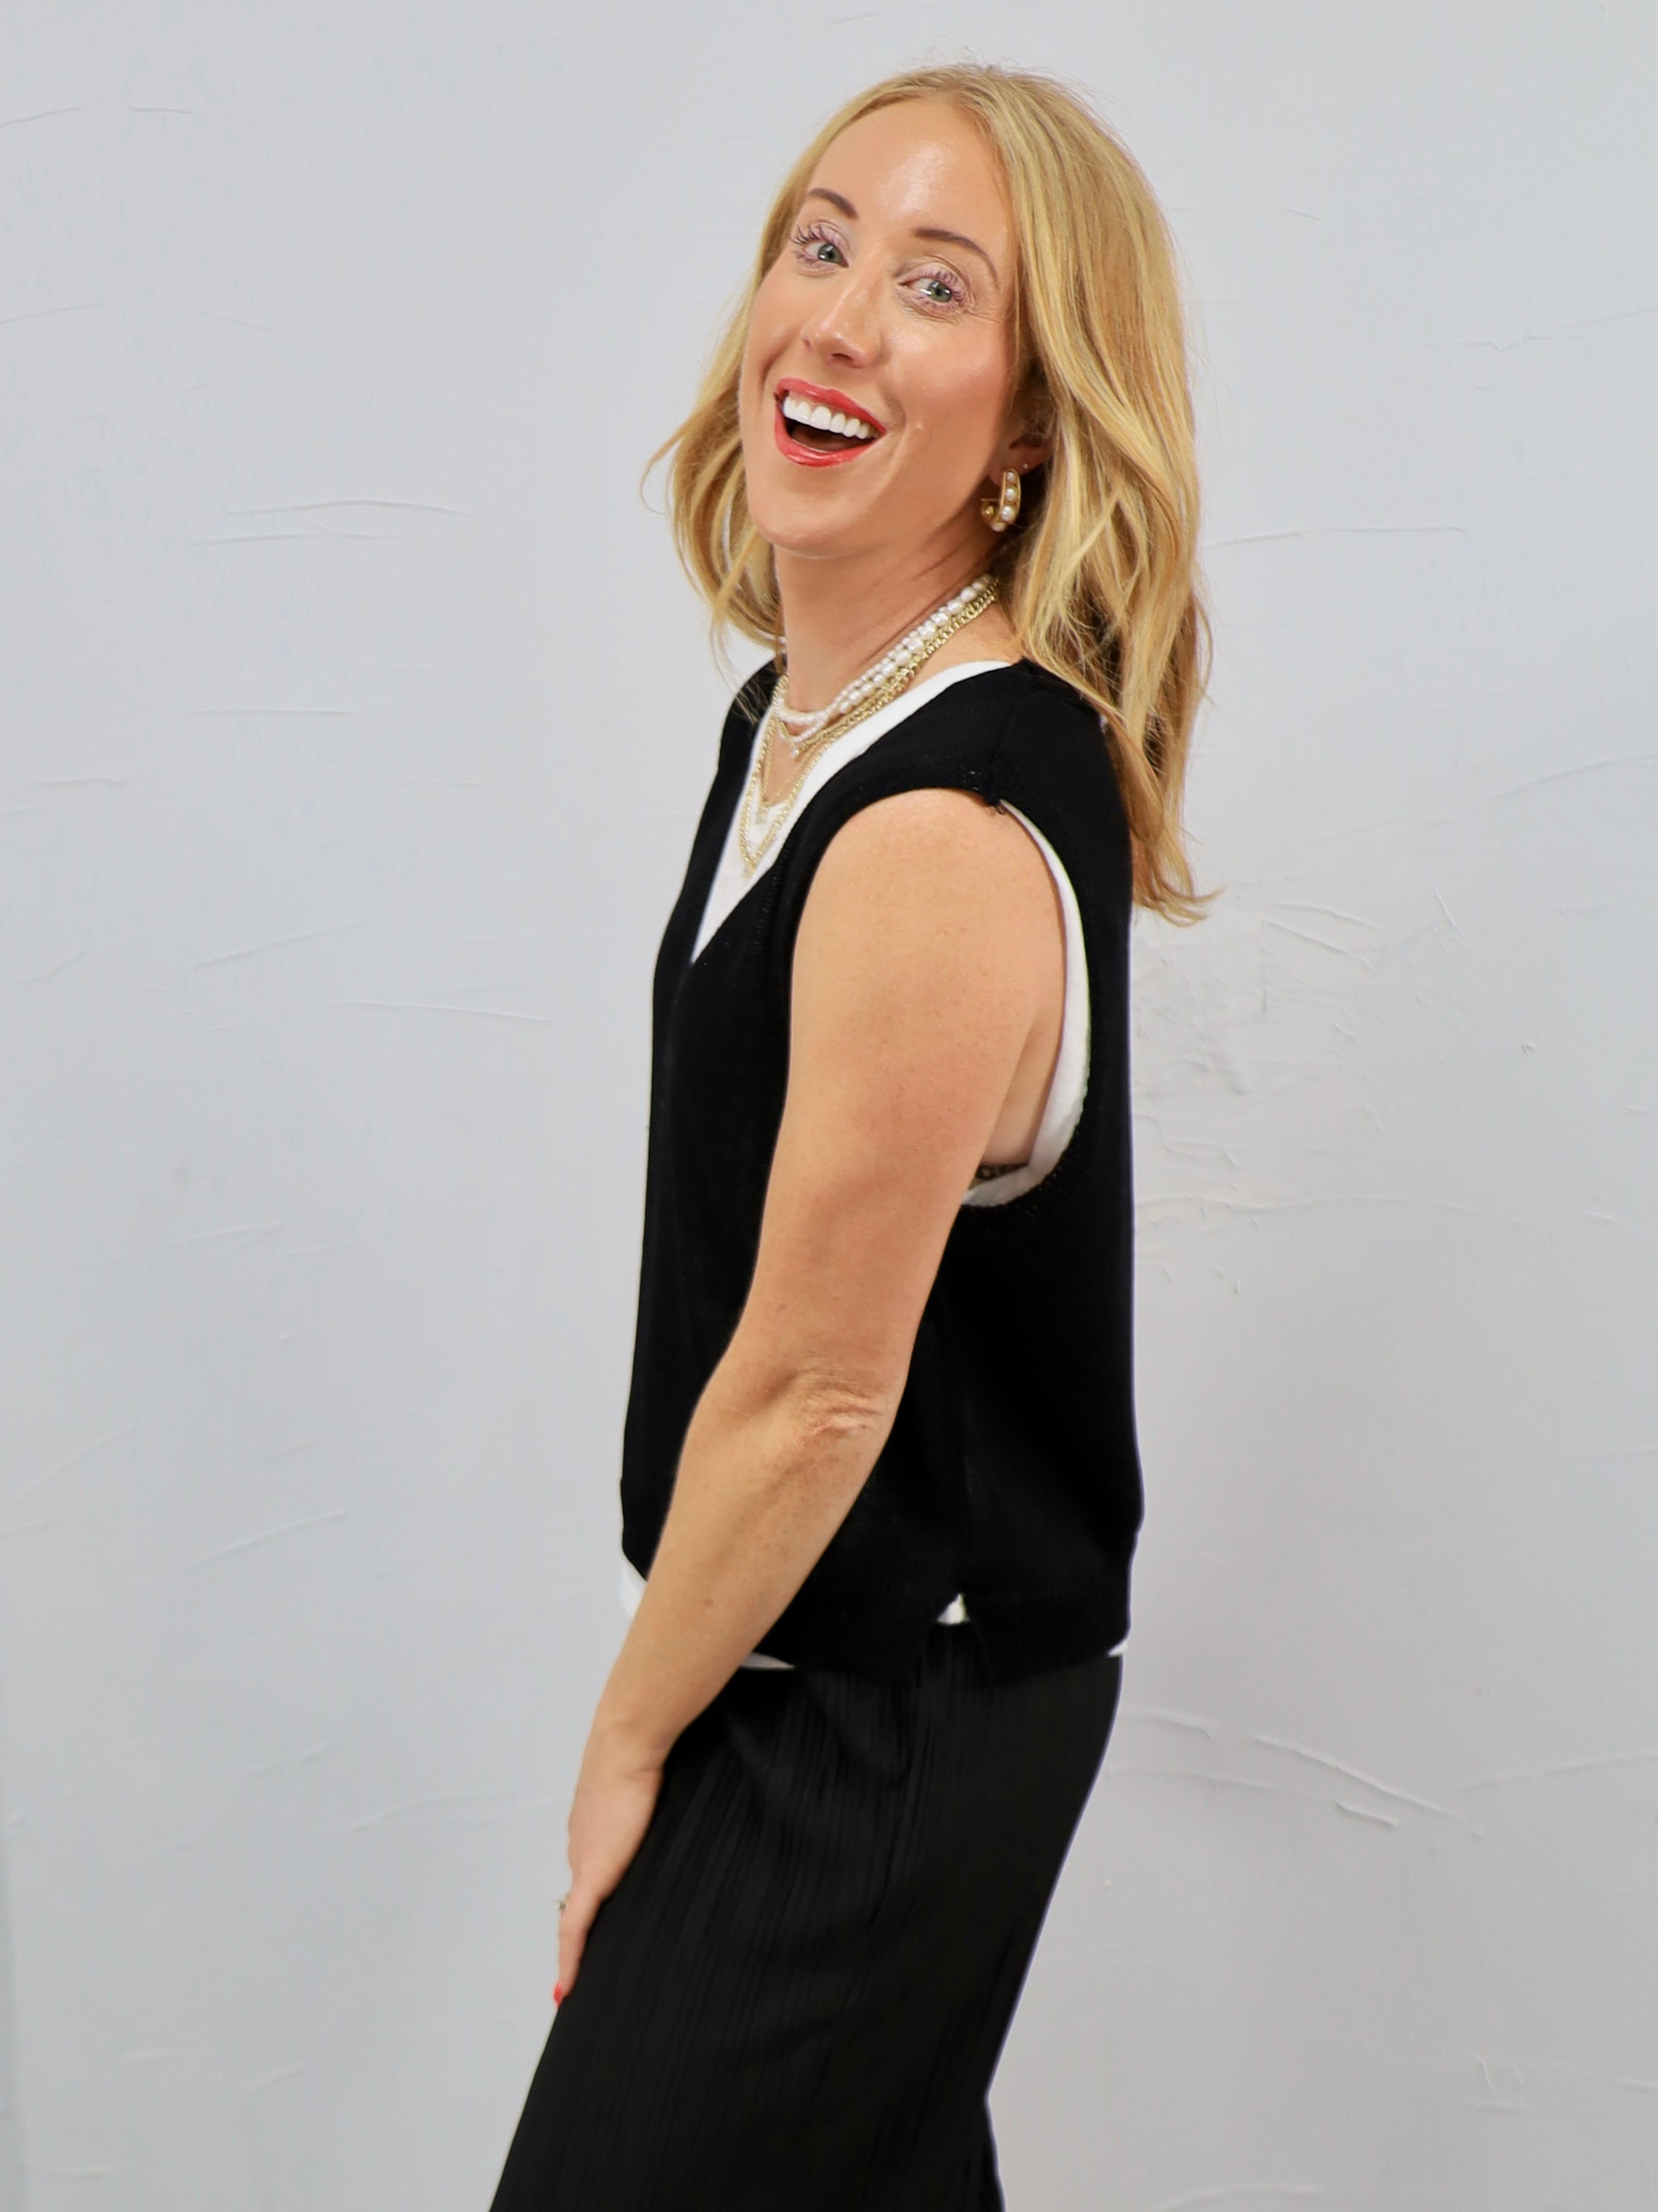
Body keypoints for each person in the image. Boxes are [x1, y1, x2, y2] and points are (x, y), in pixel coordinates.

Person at [488, 61, 1209, 2212]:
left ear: (1032, 420)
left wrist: (626, 1738)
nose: (838, 319)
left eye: (934, 285)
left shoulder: (932, 829)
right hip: (825, 1673)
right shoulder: (796, 726)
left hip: (878, 1713)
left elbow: (816, 1393)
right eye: (820, 244)